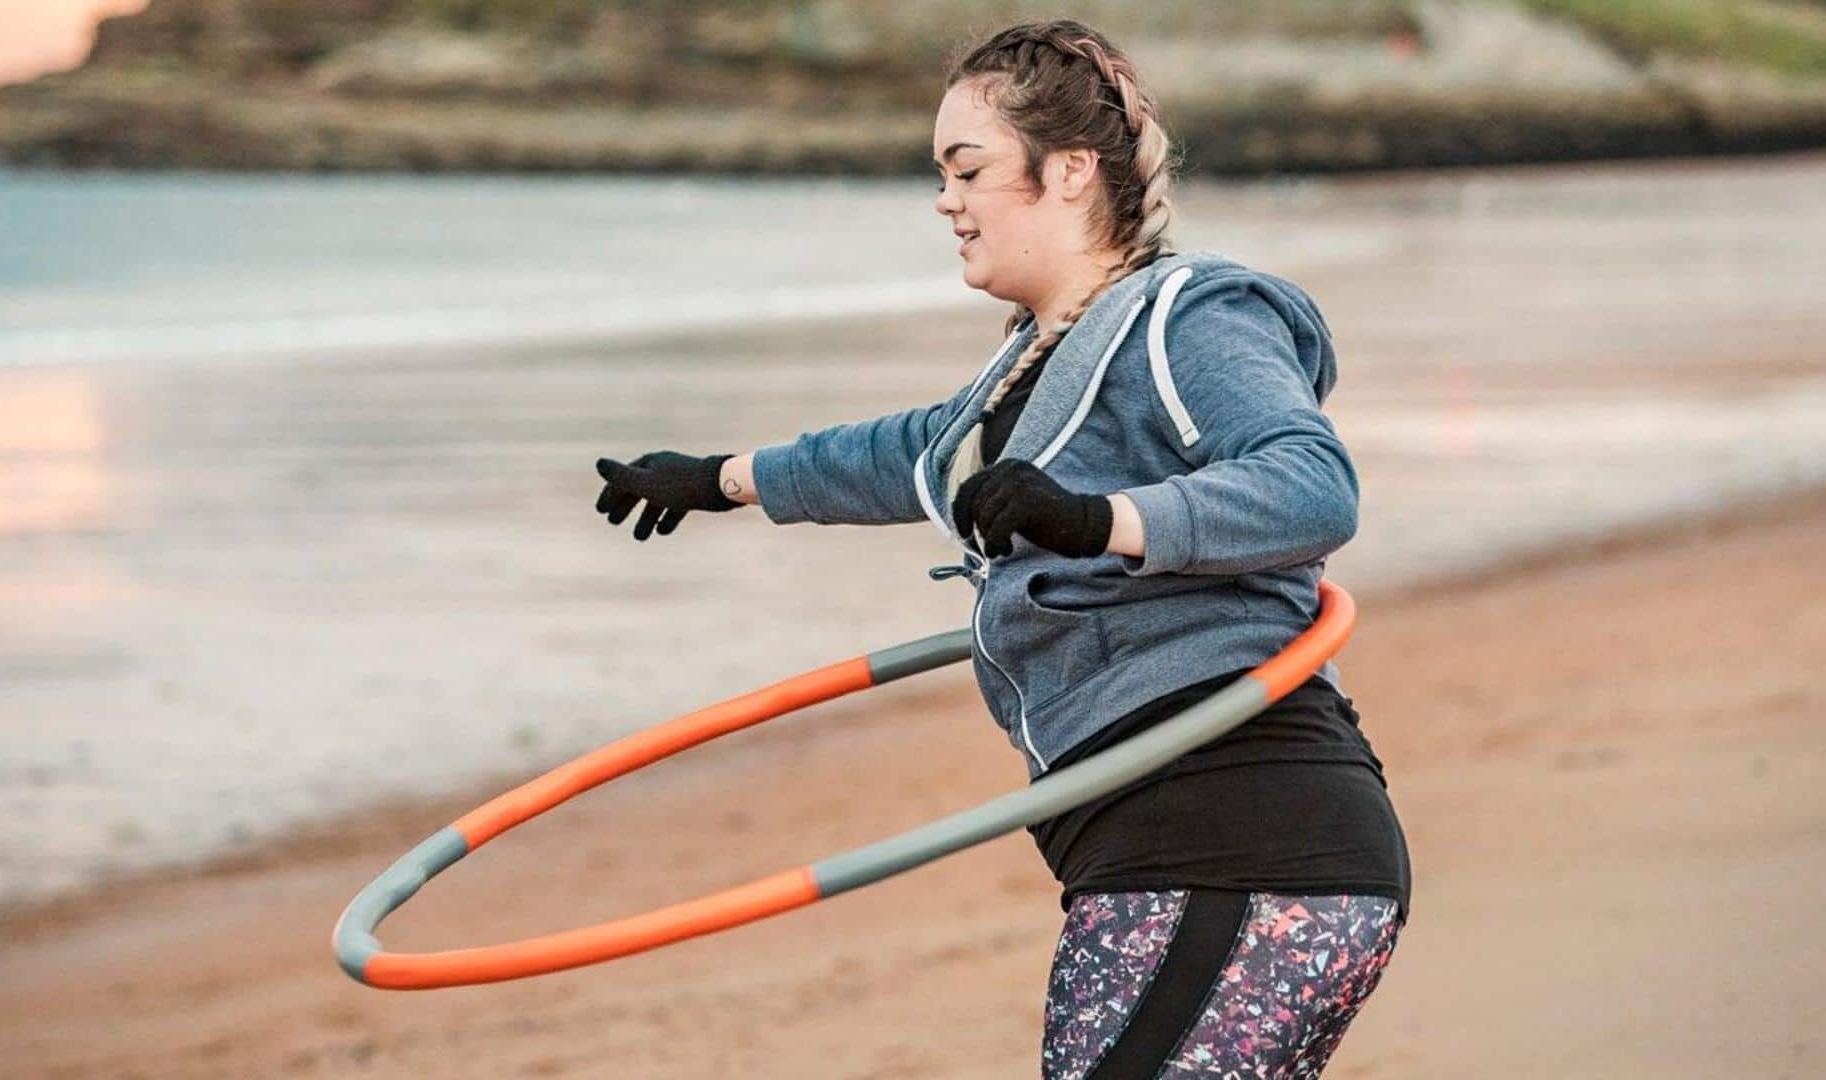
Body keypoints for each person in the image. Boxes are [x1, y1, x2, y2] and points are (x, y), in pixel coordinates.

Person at [592, 19, 1410, 1078]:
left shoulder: (1184, 315)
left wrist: (1094, 520)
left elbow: (1310, 484)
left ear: (1069, 173)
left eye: (967, 169)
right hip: (1146, 854)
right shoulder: (1025, 370)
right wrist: (717, 478)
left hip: (1245, 839)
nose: (946, 201)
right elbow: (900, 457)